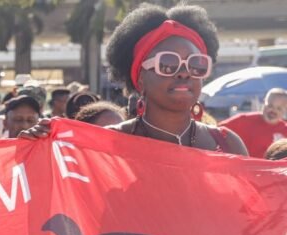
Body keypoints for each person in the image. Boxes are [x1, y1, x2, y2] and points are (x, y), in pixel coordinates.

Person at [21, 4, 247, 156]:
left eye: (196, 64)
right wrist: (31, 151)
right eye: (167, 63)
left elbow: (251, 210)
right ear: (140, 79)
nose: (184, 72)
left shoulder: (228, 144)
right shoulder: (106, 145)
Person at [219, 88, 287, 157]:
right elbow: (216, 131)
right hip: (244, 163)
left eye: (279, 108)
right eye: (270, 106)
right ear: (264, 102)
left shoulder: (285, 130)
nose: (273, 111)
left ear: (285, 110)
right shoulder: (243, 121)